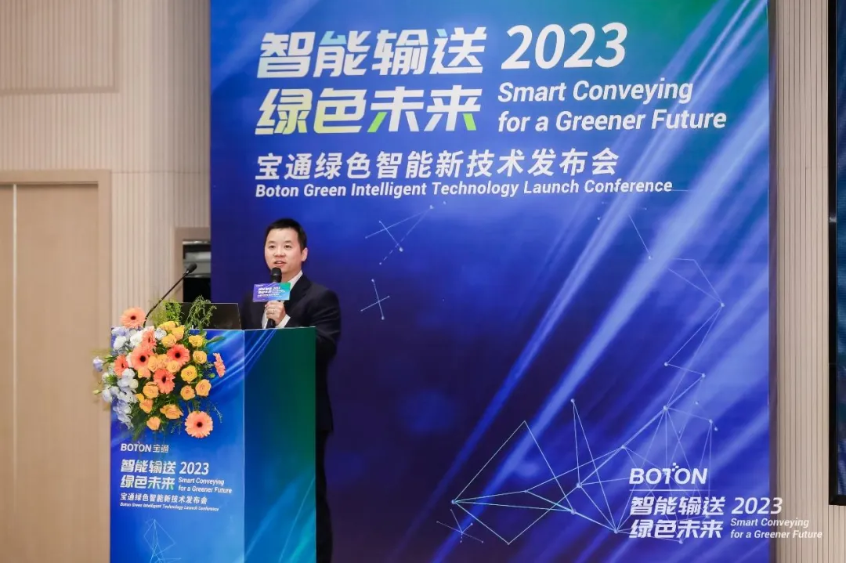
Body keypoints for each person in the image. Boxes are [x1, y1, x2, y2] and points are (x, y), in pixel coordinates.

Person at [240, 218, 341, 563]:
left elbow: (324, 349)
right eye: (271, 246)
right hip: (260, 418)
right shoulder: (252, 299)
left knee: (306, 500)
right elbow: (244, 351)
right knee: (264, 499)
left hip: (302, 415)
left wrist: (284, 321)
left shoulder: (321, 297)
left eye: (287, 246)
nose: (278, 253)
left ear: (303, 253)